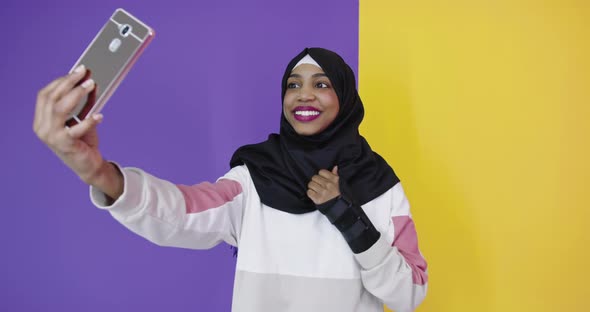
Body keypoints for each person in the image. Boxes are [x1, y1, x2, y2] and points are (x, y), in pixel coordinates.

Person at [34, 47, 428, 312]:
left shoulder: (380, 186)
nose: (303, 96)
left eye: (321, 84)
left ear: (345, 98)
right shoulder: (253, 179)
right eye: (293, 85)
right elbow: (182, 211)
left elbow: (410, 291)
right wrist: (99, 173)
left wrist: (347, 215)